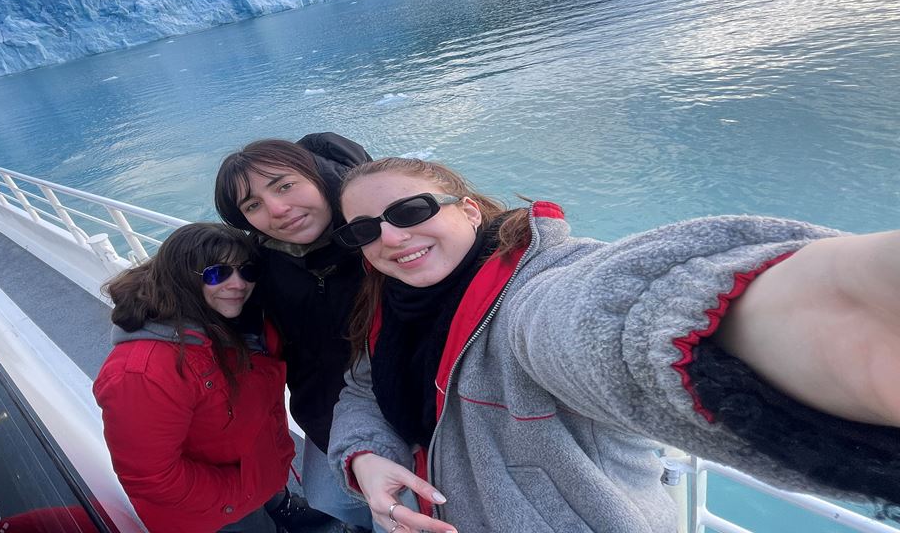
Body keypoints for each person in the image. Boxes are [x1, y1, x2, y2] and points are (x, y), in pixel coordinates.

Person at [326, 157, 900, 533]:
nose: (391, 236)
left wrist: (792, 304)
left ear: (469, 209)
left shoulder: (532, 292)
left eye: (411, 211)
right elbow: (363, 390)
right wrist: (367, 458)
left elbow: (597, 315)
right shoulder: (394, 309)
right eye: (365, 230)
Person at [215, 135, 374, 532]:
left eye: (284, 185)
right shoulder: (260, 265)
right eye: (253, 205)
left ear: (318, 176)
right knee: (330, 498)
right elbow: (197, 296)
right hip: (324, 411)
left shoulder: (381, 231)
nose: (277, 210)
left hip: (415, 408)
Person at [92, 223, 296, 533]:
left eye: (247, 271)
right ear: (182, 278)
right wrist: (243, 492)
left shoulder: (235, 323)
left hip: (256, 477)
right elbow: (153, 477)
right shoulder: (142, 374)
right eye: (217, 273)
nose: (239, 284)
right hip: (215, 511)